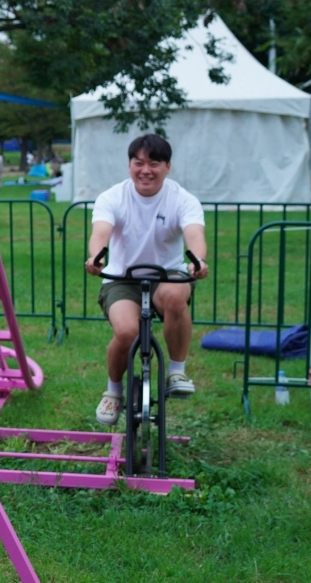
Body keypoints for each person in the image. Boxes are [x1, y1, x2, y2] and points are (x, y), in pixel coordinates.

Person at [84, 134, 210, 426]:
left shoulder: (182, 199)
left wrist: (198, 261)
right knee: (127, 331)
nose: (145, 170)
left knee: (175, 296)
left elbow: (194, 234)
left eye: (154, 163)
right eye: (138, 163)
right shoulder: (112, 197)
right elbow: (100, 232)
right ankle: (113, 391)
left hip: (167, 275)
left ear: (168, 167)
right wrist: (96, 257)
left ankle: (176, 371)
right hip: (121, 279)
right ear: (129, 165)